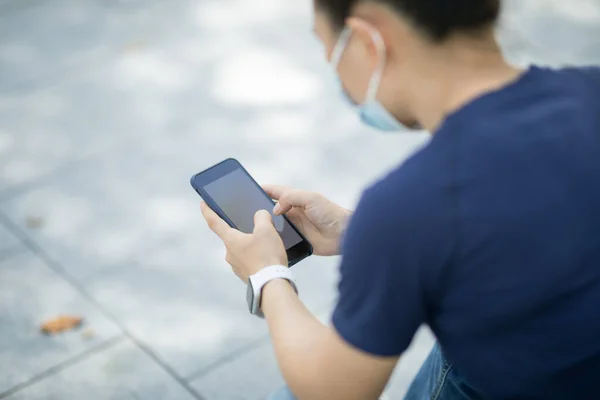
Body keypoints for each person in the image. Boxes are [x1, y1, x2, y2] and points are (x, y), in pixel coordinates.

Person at [199, 0, 600, 398]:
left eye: (330, 52)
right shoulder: (591, 88)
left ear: (367, 39)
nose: (337, 76)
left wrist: (266, 274)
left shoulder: (411, 201)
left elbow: (334, 390)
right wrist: (359, 232)